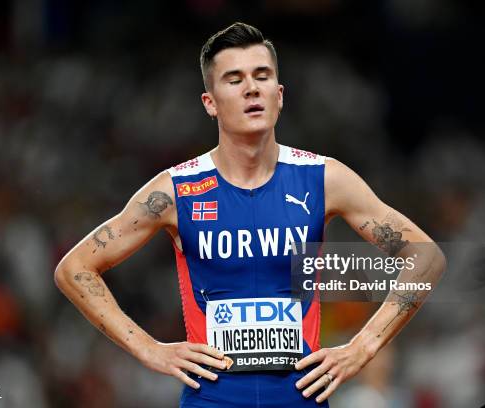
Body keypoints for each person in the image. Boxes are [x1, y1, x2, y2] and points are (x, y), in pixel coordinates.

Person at [54, 22, 446, 407]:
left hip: (301, 398)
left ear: (279, 94)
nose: (251, 88)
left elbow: (425, 256)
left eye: (262, 76)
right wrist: (148, 349)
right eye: (234, 79)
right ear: (210, 103)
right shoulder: (174, 191)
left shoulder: (324, 179)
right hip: (213, 398)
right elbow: (75, 269)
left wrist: (364, 346)